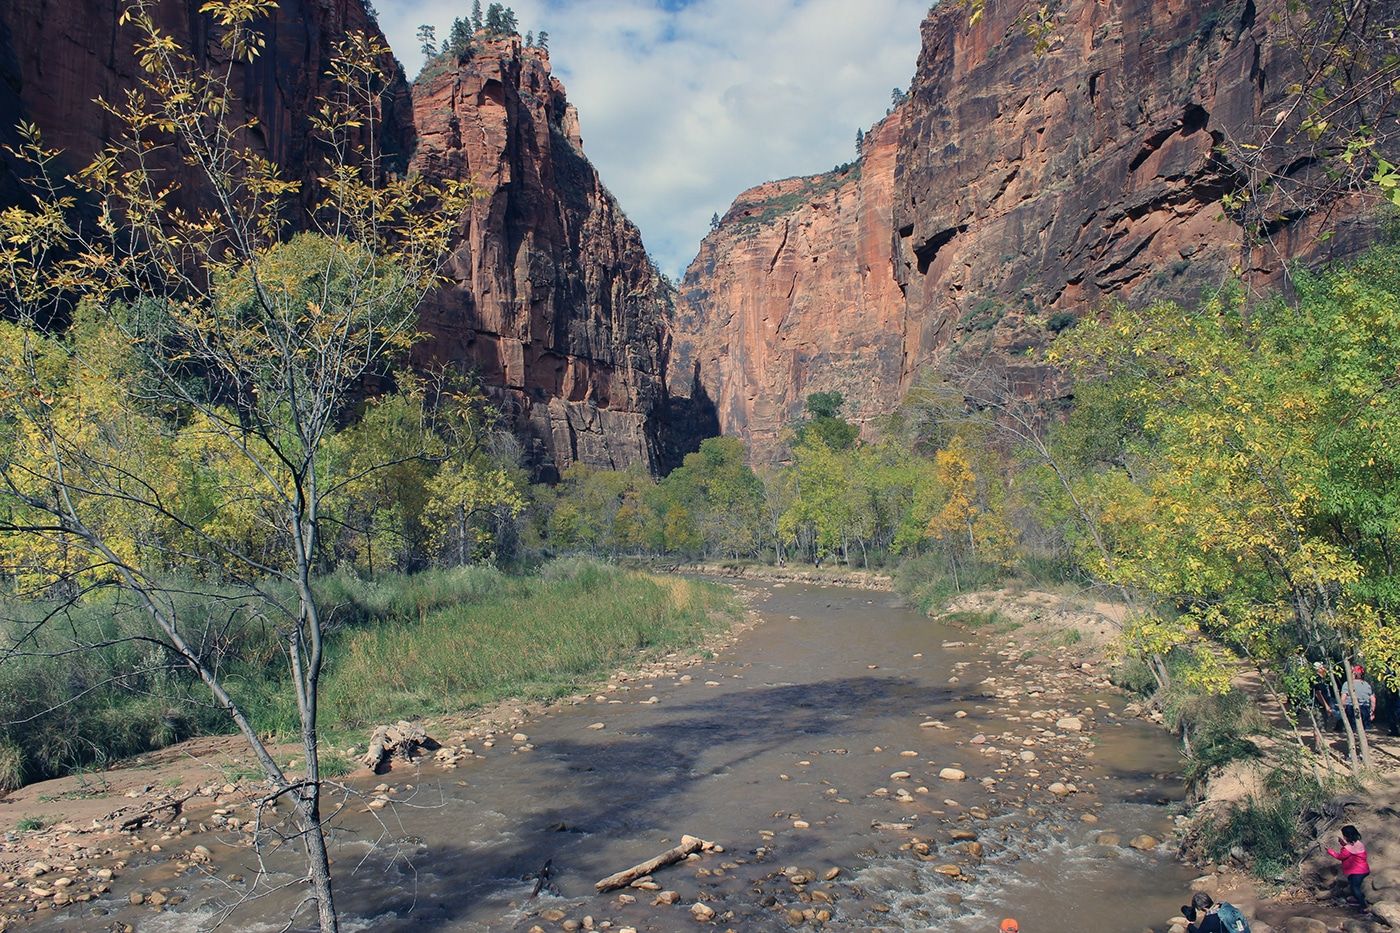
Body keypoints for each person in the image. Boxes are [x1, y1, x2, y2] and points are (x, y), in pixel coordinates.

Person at [1327, 825, 1371, 910]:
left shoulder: (1347, 849)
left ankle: (1363, 906)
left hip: (1358, 872)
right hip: (1364, 869)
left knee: (1355, 888)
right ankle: (1358, 900)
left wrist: (1330, 851)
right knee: (1352, 882)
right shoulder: (1358, 843)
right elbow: (1351, 849)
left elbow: (1341, 856)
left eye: (1343, 835)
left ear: (1346, 836)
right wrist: (1342, 843)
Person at [1340, 667, 1377, 731]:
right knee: (1365, 729)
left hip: (1351, 708)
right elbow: (1373, 699)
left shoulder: (1347, 684)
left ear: (1354, 673)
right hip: (1365, 708)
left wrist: (1342, 708)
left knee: (1352, 729)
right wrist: (1372, 712)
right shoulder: (1367, 685)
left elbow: (1343, 698)